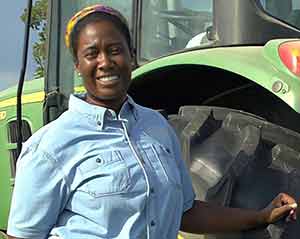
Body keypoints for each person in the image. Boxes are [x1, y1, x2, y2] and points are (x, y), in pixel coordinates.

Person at [7, 4, 298, 239]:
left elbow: (187, 212)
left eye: (115, 50)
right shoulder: (50, 146)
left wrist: (261, 215)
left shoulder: (156, 128)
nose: (105, 62)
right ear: (78, 65)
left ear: (131, 56)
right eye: (91, 54)